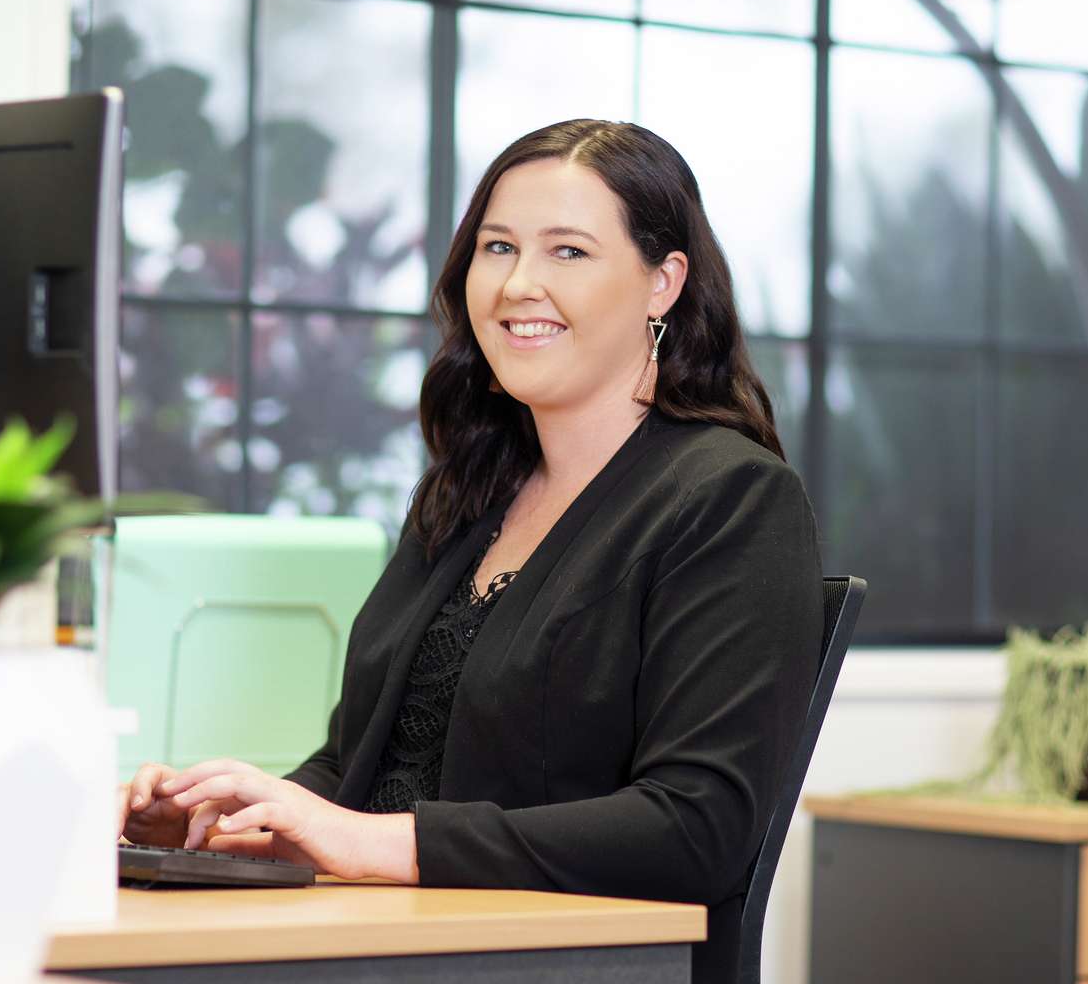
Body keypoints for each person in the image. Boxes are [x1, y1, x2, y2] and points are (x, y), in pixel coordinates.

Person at [119, 119, 823, 983]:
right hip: (393, 939)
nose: (519, 284)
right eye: (498, 247)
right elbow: (361, 764)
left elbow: (696, 827)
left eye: (568, 252)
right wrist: (228, 824)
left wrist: (377, 843)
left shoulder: (729, 498)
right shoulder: (468, 491)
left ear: (663, 283)